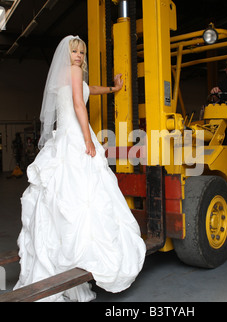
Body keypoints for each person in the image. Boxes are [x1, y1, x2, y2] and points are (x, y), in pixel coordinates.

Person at [14, 35, 146, 302]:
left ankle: (59, 261)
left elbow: (88, 89)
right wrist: (88, 139)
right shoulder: (74, 72)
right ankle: (82, 258)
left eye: (82, 52)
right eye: (74, 51)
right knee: (85, 193)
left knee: (61, 198)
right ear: (67, 53)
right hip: (75, 137)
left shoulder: (67, 76)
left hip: (63, 137)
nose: (78, 56)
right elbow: (78, 103)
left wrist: (113, 88)